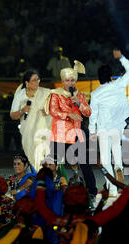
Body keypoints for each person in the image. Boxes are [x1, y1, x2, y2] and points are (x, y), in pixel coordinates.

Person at [46, 60, 97, 201]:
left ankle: (92, 191)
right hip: (60, 135)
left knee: (85, 164)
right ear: (63, 82)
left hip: (76, 135)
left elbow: (88, 112)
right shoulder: (56, 94)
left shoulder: (79, 95)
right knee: (53, 165)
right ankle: (50, 191)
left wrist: (79, 104)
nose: (70, 83)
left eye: (73, 80)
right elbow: (53, 111)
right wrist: (69, 115)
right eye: (67, 80)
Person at [89, 49, 129, 197]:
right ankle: (119, 167)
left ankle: (113, 188)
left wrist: (91, 131)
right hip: (118, 126)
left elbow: (93, 114)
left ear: (99, 78)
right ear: (110, 75)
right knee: (116, 148)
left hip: (103, 128)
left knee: (105, 159)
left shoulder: (95, 94)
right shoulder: (119, 84)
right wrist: (121, 58)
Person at [10, 70, 52, 171]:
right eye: (34, 80)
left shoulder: (46, 92)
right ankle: (33, 181)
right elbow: (13, 115)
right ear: (27, 83)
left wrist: (49, 111)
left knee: (44, 158)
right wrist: (22, 111)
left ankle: (46, 181)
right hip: (28, 132)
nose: (37, 81)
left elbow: (56, 109)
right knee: (30, 157)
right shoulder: (20, 95)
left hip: (44, 131)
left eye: (38, 79)